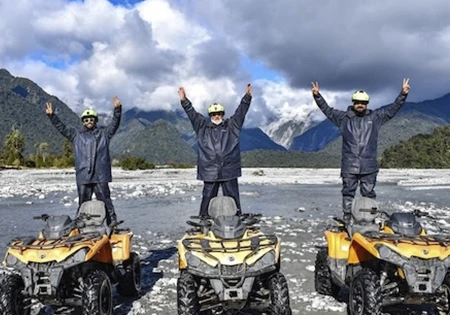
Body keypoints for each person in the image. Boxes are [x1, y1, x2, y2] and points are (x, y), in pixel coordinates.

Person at [312, 79, 410, 224]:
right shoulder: (343, 118)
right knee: (348, 193)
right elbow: (327, 110)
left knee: (369, 194)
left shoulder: (376, 117)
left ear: (367, 104)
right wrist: (317, 96)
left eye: (363, 103)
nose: (360, 105)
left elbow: (392, 110)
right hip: (349, 165)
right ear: (353, 102)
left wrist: (403, 94)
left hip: (369, 166)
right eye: (357, 102)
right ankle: (347, 218)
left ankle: (369, 220)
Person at [45, 97, 122, 226]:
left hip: (100, 174)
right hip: (83, 174)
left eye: (91, 119)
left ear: (95, 121)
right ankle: (80, 226)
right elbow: (61, 128)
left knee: (105, 201)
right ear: (83, 122)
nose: (89, 121)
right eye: (86, 120)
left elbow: (115, 124)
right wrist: (52, 116)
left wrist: (117, 110)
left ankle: (112, 224)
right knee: (83, 202)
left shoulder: (104, 133)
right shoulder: (75, 135)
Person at [178, 84, 252, 216]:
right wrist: (184, 101)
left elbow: (241, 112)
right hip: (209, 170)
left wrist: (247, 98)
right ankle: (203, 221)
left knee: (234, 199)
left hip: (229, 170)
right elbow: (192, 114)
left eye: (218, 113)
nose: (216, 116)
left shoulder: (232, 126)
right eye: (213, 114)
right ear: (210, 115)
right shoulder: (202, 127)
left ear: (222, 114)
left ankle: (237, 220)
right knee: (207, 199)